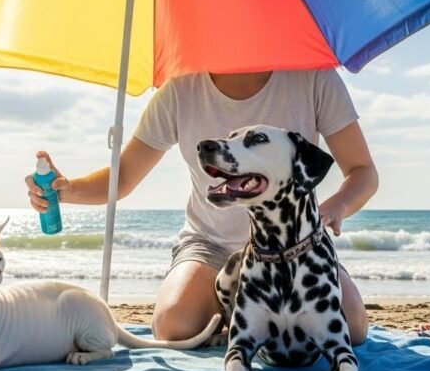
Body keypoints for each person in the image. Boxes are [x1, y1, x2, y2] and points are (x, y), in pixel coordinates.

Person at [24, 70, 377, 345]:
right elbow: (124, 177)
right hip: (211, 246)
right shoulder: (180, 89)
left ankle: (253, 321)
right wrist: (66, 190)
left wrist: (337, 206)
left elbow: (363, 173)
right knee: (173, 326)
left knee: (354, 327)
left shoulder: (314, 77)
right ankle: (246, 320)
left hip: (294, 246)